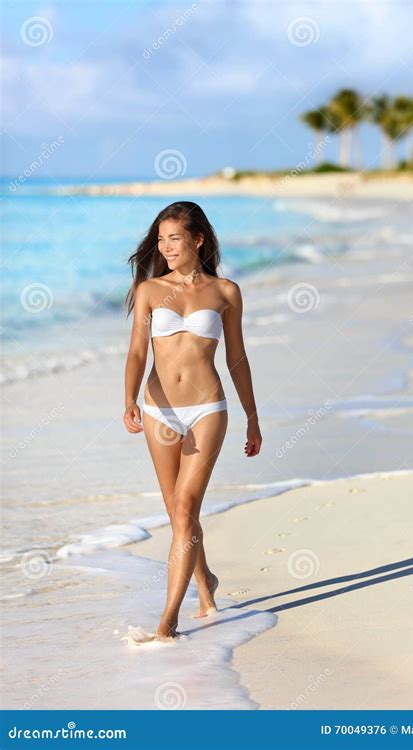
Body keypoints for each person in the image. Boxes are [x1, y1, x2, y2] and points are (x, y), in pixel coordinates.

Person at [123, 201, 262, 641]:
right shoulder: (149, 290)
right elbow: (138, 353)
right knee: (175, 511)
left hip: (207, 409)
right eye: (161, 239)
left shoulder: (225, 291)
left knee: (185, 509)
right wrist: (127, 398)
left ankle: (167, 621)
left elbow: (237, 357)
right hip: (158, 409)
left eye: (174, 239)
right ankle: (206, 582)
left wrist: (252, 417)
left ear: (198, 239)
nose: (165, 247)